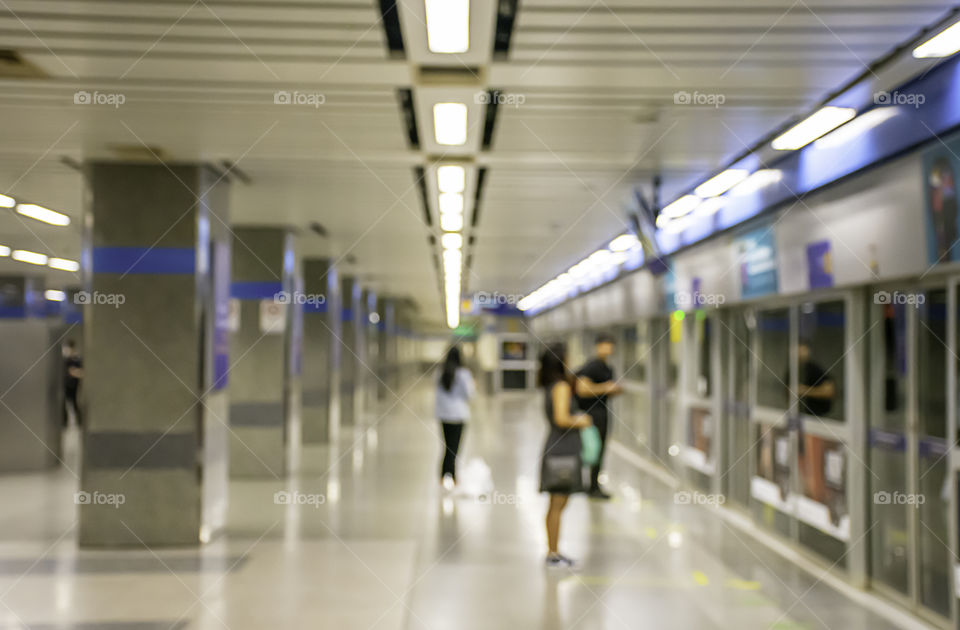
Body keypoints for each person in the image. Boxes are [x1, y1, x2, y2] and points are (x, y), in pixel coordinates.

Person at [539, 343, 592, 568]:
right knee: (558, 503)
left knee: (557, 503)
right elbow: (562, 418)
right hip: (562, 449)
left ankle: (554, 551)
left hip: (559, 447)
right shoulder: (560, 387)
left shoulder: (554, 385)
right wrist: (582, 420)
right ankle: (553, 553)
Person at [575, 333, 623, 499]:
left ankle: (593, 485)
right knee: (593, 450)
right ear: (597, 346)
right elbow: (582, 389)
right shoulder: (593, 366)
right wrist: (606, 388)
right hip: (592, 415)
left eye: (610, 345)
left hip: (602, 412)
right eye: (604, 344)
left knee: (599, 450)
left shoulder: (607, 367)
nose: (608, 348)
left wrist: (613, 390)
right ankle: (591, 486)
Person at [434, 346, 475, 490]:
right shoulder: (464, 374)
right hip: (459, 416)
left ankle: (443, 476)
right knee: (454, 449)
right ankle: (453, 477)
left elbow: (437, 395)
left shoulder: (440, 373)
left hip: (444, 416)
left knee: (446, 446)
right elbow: (470, 394)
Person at [796, 339, 835, 417]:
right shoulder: (793, 370)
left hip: (818, 418)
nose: (799, 353)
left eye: (802, 349)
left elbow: (829, 391)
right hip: (801, 416)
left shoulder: (815, 369)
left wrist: (805, 391)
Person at [62, 339, 84, 428]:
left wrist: (74, 372)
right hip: (66, 385)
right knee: (64, 404)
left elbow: (82, 372)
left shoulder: (77, 359)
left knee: (74, 403)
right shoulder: (66, 360)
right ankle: (64, 423)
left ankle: (79, 422)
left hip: (74, 385)